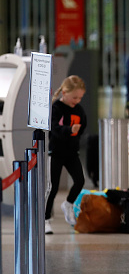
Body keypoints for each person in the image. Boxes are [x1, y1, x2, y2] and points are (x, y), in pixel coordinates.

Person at [45, 75, 87, 234]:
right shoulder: (57, 108)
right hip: (56, 152)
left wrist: (77, 131)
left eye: (80, 97)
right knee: (52, 187)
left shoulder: (79, 109)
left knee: (79, 180)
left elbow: (83, 125)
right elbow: (54, 128)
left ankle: (68, 204)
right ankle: (46, 219)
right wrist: (69, 130)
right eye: (75, 97)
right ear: (64, 92)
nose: (77, 100)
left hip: (71, 152)